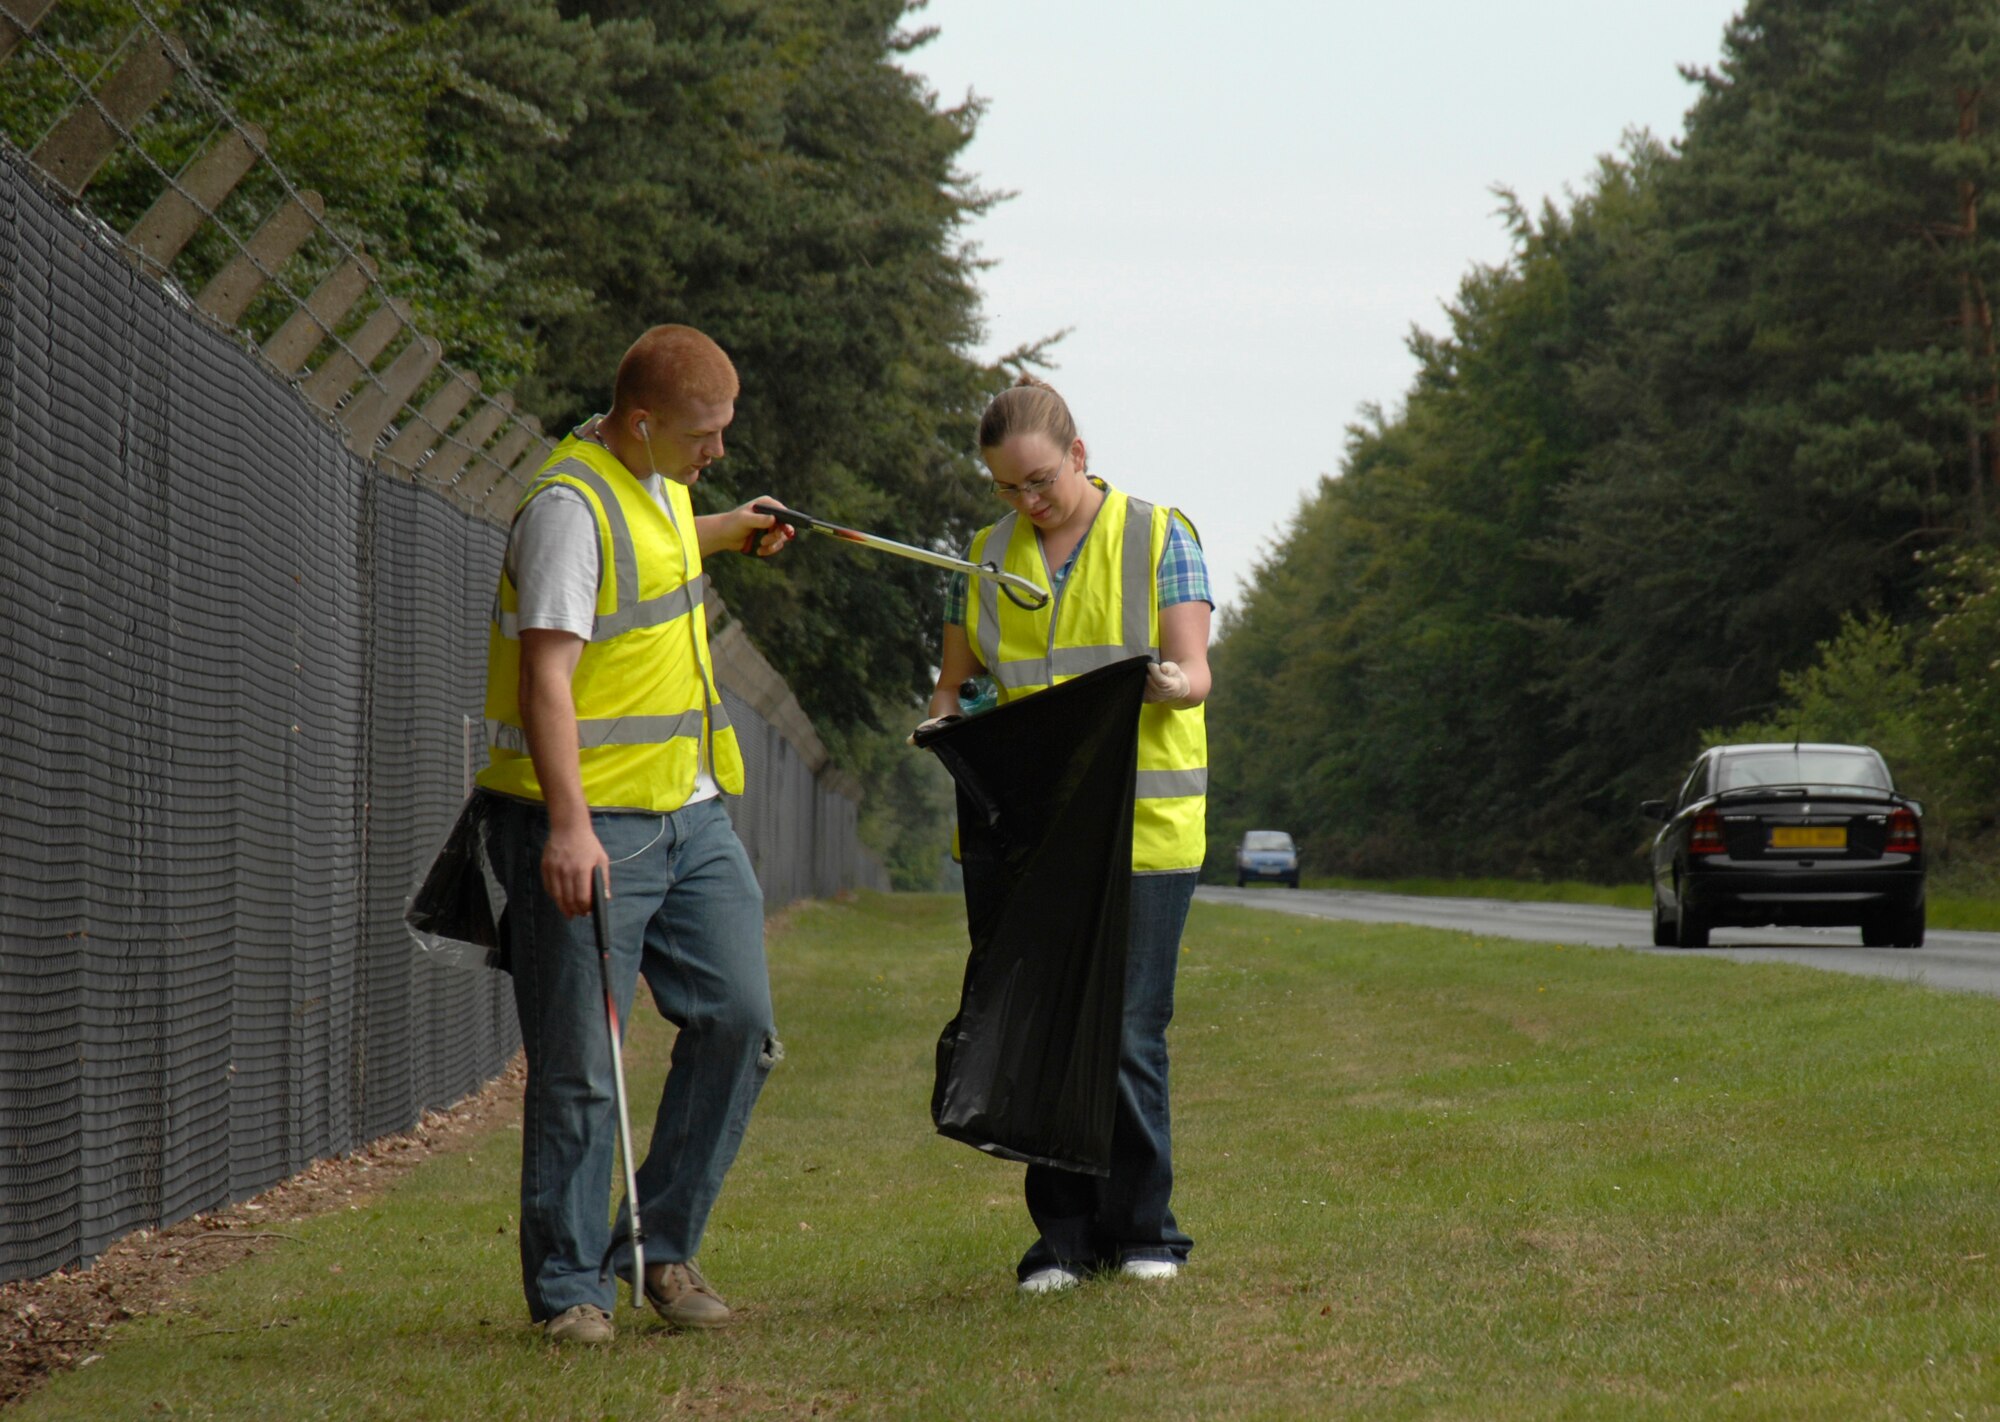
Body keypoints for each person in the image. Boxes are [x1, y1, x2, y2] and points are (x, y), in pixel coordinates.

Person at [476, 323, 795, 1344]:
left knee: (739, 1022)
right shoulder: (567, 510)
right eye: (705, 434)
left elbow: (653, 547)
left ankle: (657, 1249)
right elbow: (547, 678)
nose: (717, 453)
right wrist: (568, 829)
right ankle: (571, 1291)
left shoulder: (654, 483)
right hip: (590, 824)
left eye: (725, 432)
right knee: (580, 1064)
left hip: (691, 812)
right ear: (644, 420)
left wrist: (727, 526)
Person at [923, 373, 1211, 1293]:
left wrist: (1171, 684)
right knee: (1049, 1034)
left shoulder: (1162, 536)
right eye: (1007, 487)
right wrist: (941, 720)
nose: (1027, 501)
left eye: (1040, 480)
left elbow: (1196, 672)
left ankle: (1145, 1234)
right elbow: (956, 688)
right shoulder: (983, 556)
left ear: (1078, 456)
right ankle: (1063, 1241)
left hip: (1145, 834)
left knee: (1126, 1033)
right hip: (1034, 841)